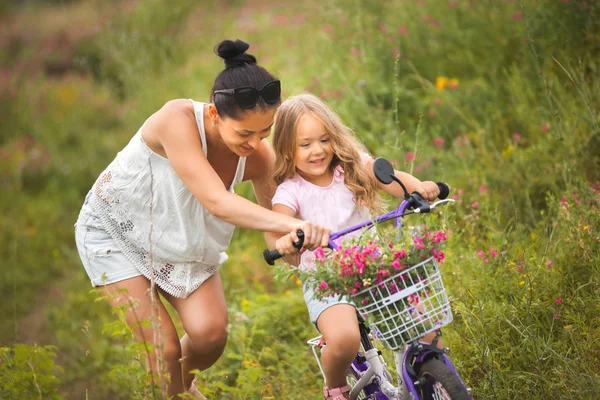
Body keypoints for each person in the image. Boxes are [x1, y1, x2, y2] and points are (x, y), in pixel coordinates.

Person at [74, 40, 330, 398]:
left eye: (264, 132)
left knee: (210, 336)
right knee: (163, 351)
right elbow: (215, 201)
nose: (256, 143)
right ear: (213, 114)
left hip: (181, 241)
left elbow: (278, 223)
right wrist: (291, 226)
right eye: (244, 133)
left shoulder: (258, 156)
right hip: (116, 232)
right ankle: (174, 390)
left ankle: (177, 388)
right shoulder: (175, 120)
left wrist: (293, 242)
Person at [266, 93, 441, 400]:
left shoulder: (351, 167)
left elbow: (394, 180)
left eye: (324, 139)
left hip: (372, 265)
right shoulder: (290, 192)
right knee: (345, 339)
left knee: (422, 321)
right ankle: (335, 387)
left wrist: (420, 190)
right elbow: (279, 226)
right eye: (305, 144)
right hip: (326, 279)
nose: (318, 150)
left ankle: (436, 376)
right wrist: (288, 240)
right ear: (287, 149)